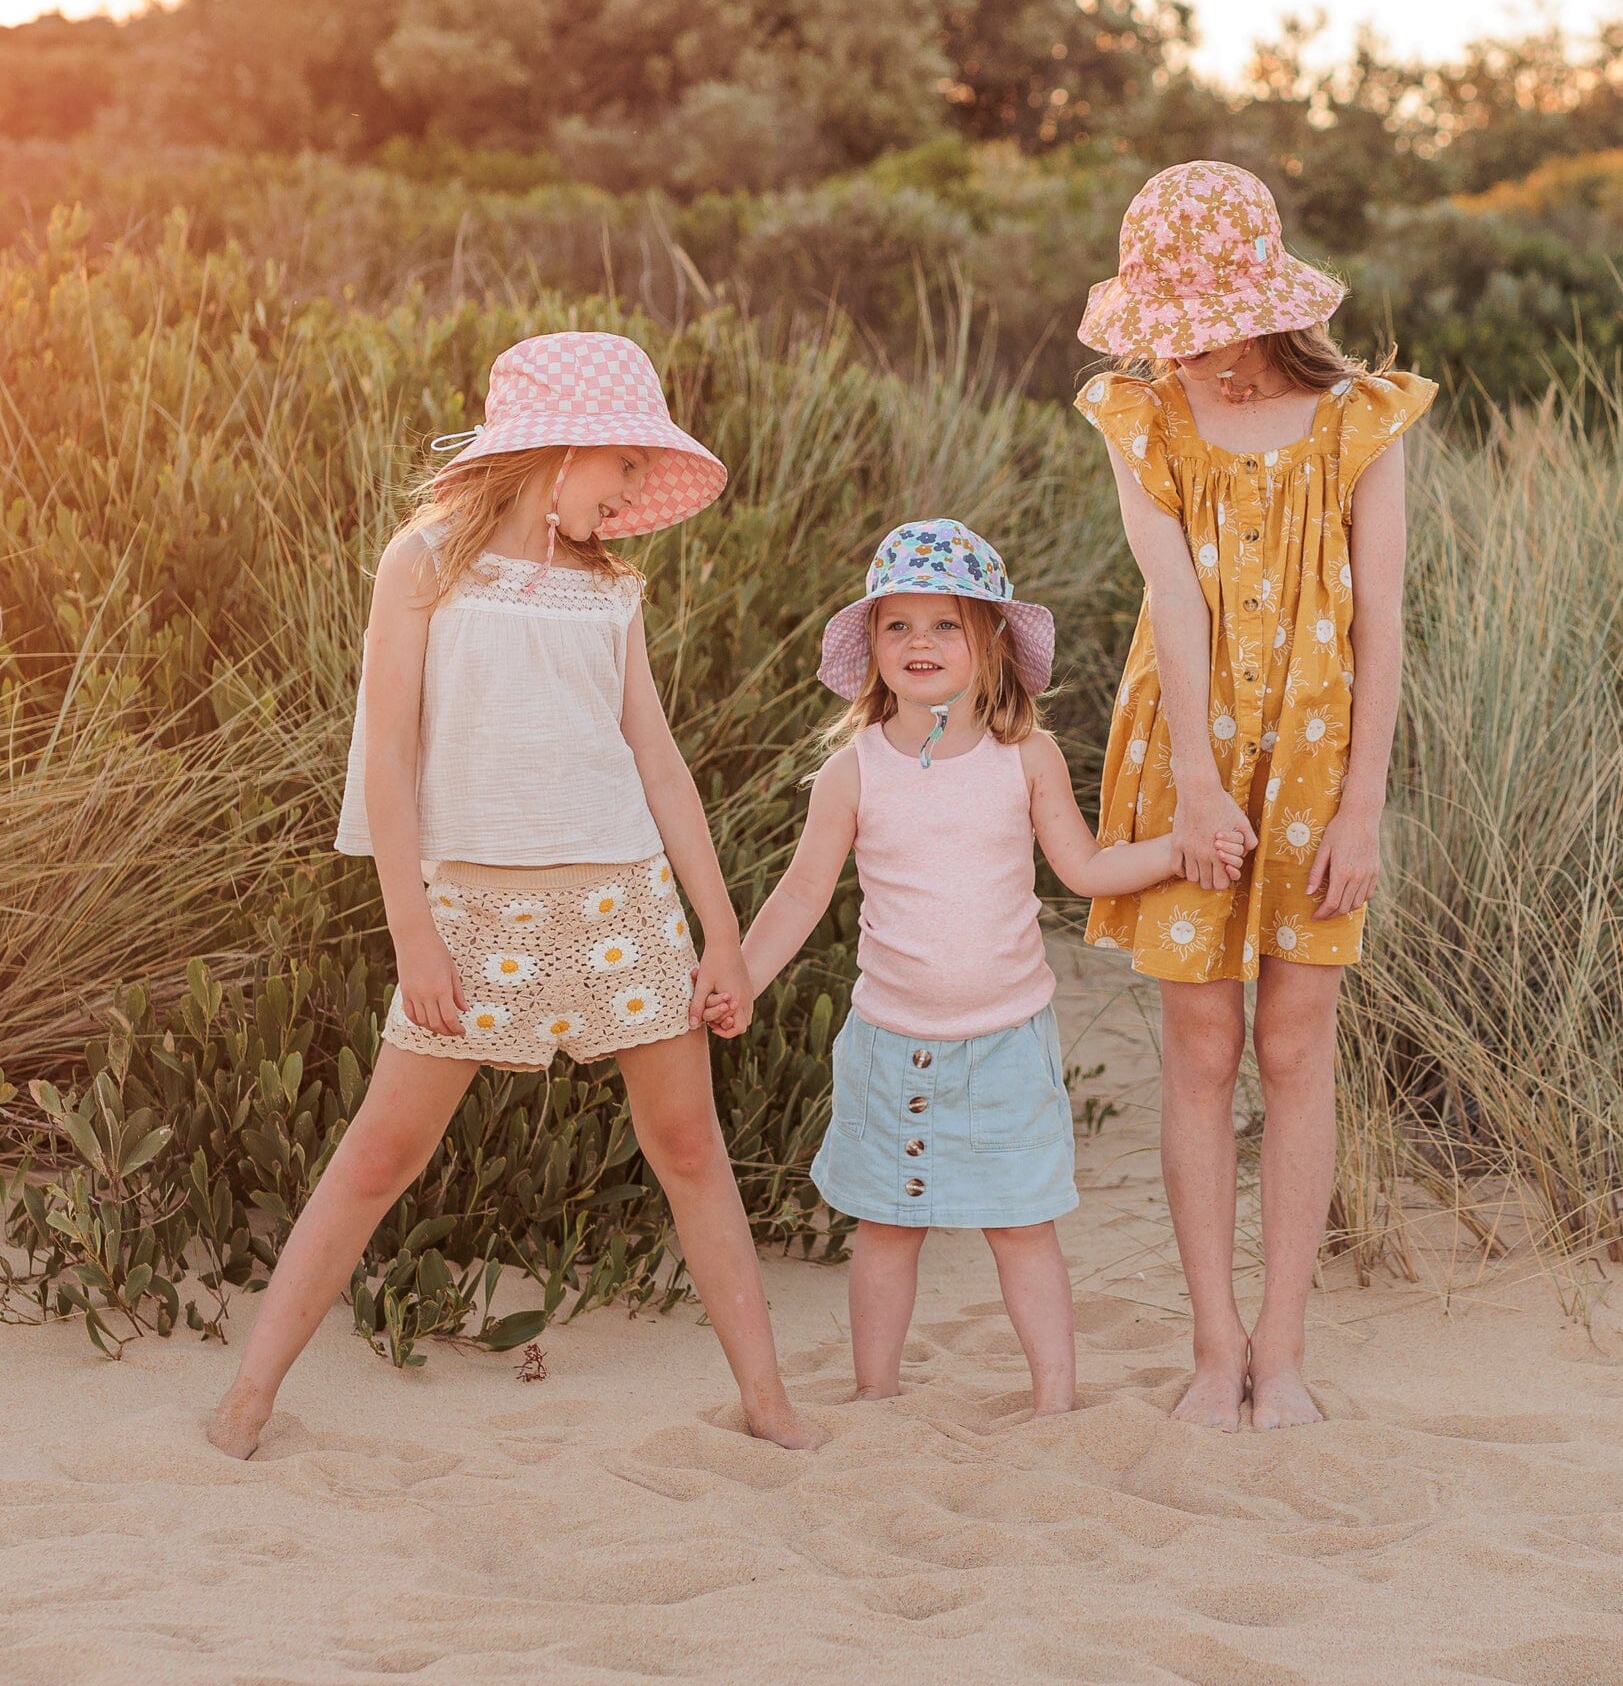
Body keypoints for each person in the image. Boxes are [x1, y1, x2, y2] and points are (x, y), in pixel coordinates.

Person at [209, 331, 824, 1457]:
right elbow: (386, 756)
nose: (635, 489)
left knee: (690, 1151)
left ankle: (769, 1403)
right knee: (379, 1158)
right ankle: (249, 1400)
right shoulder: (426, 561)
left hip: (625, 909)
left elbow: (661, 761)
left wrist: (722, 932)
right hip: (471, 917)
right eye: (624, 464)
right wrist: (414, 938)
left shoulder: (613, 589)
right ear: (562, 448)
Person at [727, 520, 1248, 1416]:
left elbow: (1083, 871)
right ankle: (874, 1392)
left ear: (989, 645)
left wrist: (1175, 846)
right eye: (898, 626)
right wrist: (740, 975)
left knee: (1021, 1226)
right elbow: (801, 893)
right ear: (871, 646)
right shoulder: (851, 773)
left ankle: (1054, 1402)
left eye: (945, 626)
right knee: (886, 1230)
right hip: (890, 1044)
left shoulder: (1026, 757)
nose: (919, 644)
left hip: (1007, 1043)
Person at [1075, 160, 1436, 1431]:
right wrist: (1197, 793)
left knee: (1293, 1043)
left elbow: (1382, 617)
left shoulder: (1362, 417)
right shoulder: (1143, 415)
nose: (1184, 342)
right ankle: (1211, 1341)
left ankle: (1282, 1349)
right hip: (1187, 756)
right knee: (1201, 1045)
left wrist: (1362, 807)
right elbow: (1173, 600)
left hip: (1321, 762)